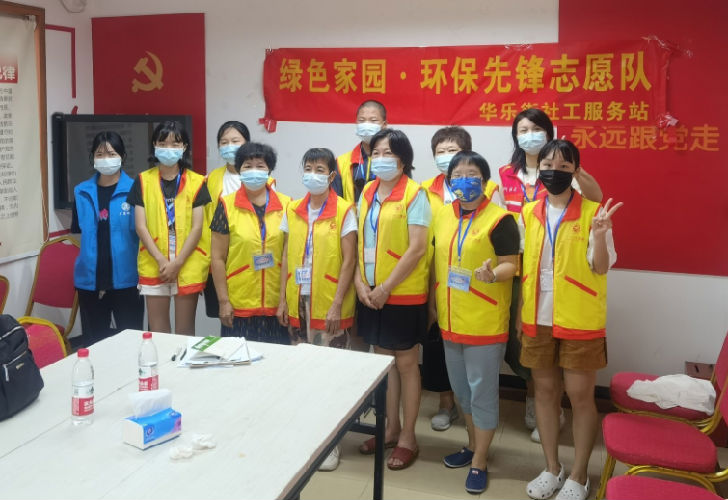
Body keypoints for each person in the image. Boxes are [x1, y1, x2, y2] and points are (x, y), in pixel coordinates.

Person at [520, 139, 621, 500]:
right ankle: (552, 467)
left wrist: (600, 235)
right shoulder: (528, 212)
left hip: (579, 319)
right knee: (545, 392)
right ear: (539, 169)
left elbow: (602, 267)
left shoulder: (594, 212)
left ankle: (579, 475)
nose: (554, 172)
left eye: (564, 167)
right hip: (538, 318)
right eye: (548, 165)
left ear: (576, 171)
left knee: (580, 397)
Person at [499, 108, 603, 442]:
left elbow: (595, 200)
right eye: (522, 129)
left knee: (564, 359)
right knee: (525, 344)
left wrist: (568, 165)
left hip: (564, 277)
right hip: (523, 268)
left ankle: (548, 407)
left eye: (536, 128)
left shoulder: (563, 170)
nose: (528, 134)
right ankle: (538, 403)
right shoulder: (505, 174)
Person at [432, 150, 519, 494]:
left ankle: (480, 460)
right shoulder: (443, 215)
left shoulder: (500, 219)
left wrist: (492, 273)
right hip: (451, 320)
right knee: (461, 391)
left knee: (482, 393)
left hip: (484, 322)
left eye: (471, 174)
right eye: (457, 175)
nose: (464, 180)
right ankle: (471, 445)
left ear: (484, 180)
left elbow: (511, 264)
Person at [276, 147, 357, 471]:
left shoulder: (344, 210)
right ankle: (306, 435)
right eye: (308, 168)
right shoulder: (293, 209)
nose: (313, 174)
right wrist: (282, 299)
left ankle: (331, 443)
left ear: (332, 175)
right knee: (303, 372)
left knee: (330, 375)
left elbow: (349, 260)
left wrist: (337, 304)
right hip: (299, 300)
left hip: (329, 301)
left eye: (320, 169)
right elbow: (286, 256)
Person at [355, 129, 430, 471]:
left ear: (403, 159)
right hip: (371, 292)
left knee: (406, 364)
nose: (381, 158)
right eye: (376, 153)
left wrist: (386, 287)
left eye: (388, 153)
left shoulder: (415, 194)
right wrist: (360, 282)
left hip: (402, 293)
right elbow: (360, 241)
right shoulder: (367, 190)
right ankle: (389, 428)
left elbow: (417, 249)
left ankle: (408, 437)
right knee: (383, 363)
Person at [421, 126, 502, 432]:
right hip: (441, 284)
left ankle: (478, 435)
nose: (446, 156)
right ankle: (447, 405)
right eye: (440, 151)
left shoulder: (491, 191)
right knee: (443, 355)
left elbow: (503, 246)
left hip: (477, 295)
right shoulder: (425, 190)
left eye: (452, 150)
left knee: (478, 377)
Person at [127, 120, 210, 335]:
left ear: (184, 147)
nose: (169, 148)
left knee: (185, 331)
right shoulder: (142, 181)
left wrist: (178, 262)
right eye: (163, 143)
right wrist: (162, 261)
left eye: (175, 144)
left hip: (187, 263)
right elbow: (140, 226)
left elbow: (197, 228)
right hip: (154, 263)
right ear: (154, 145)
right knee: (159, 331)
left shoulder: (197, 182)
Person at [209, 142, 291, 343]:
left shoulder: (287, 205)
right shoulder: (226, 205)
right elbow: (217, 258)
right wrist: (223, 301)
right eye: (247, 166)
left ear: (269, 169)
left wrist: (285, 300)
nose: (254, 170)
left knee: (277, 360)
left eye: (260, 166)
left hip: (276, 305)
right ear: (239, 170)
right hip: (238, 304)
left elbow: (289, 256)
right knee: (238, 359)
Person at [72, 131, 143, 346]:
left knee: (130, 344)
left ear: (122, 156)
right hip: (90, 282)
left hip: (128, 281)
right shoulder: (81, 192)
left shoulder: (136, 189)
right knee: (94, 346)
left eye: (111, 154)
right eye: (100, 154)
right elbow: (78, 232)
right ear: (92, 157)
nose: (106, 159)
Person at [200, 121, 251, 319]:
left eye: (235, 141)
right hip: (218, 261)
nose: (230, 146)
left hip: (249, 260)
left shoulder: (262, 179)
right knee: (225, 316)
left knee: (251, 316)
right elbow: (203, 222)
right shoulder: (209, 179)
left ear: (247, 143)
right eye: (224, 142)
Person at [337, 100, 387, 203]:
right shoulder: (341, 162)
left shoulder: (396, 161)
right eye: (362, 120)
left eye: (373, 120)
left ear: (384, 125)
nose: (366, 125)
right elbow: (335, 202)